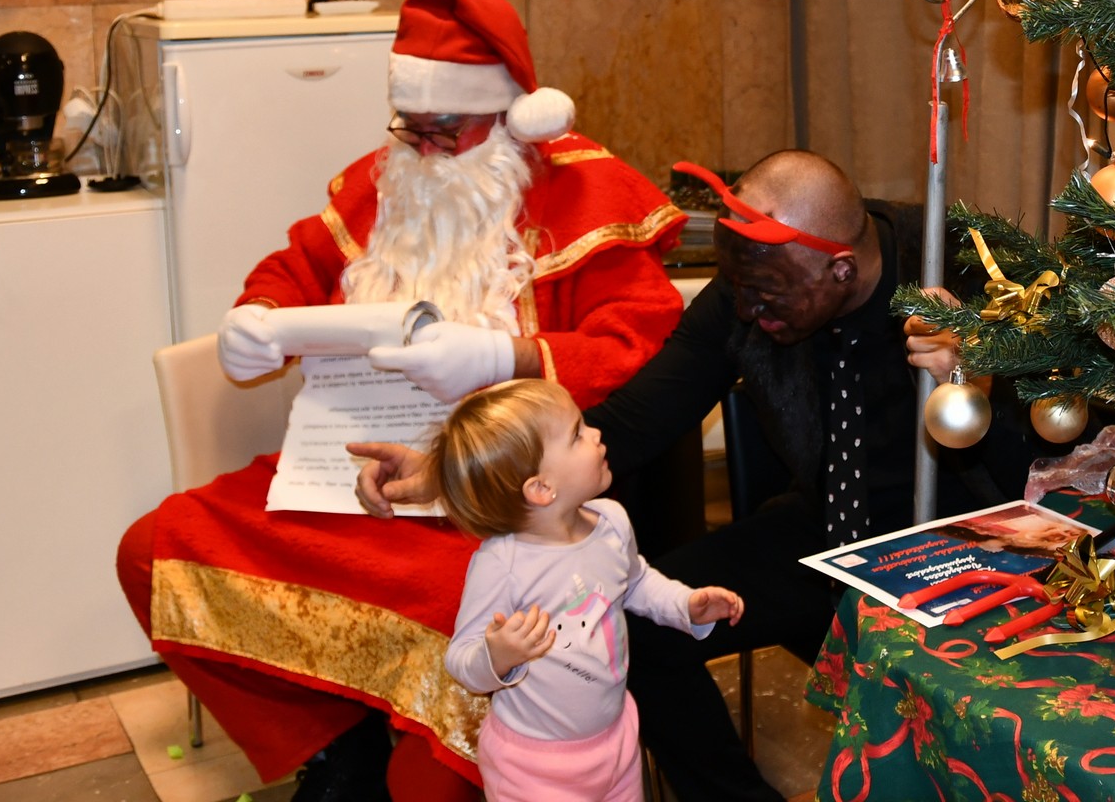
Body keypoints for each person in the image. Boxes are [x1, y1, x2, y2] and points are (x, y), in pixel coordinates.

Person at [116, 0, 686, 802]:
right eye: (407, 126)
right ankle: (334, 747)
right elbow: (292, 268)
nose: (422, 148)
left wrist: (505, 357)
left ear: (508, 115)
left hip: (495, 506)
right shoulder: (384, 182)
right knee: (154, 550)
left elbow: (641, 345)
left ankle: (435, 760)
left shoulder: (581, 194)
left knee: (456, 663)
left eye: (444, 128)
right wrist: (256, 315)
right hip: (357, 479)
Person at [356, 149, 1068, 802]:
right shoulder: (747, 291)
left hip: (963, 541)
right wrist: (454, 476)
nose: (748, 312)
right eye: (740, 290)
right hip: (823, 532)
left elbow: (1060, 456)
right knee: (636, 623)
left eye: (768, 295)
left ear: (840, 269)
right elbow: (638, 419)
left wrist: (983, 377)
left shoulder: (969, 269)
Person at [433, 379, 744, 802]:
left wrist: (684, 604)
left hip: (615, 741)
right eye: (577, 434)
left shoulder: (611, 521)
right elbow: (460, 658)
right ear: (541, 488)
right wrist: (498, 656)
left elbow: (635, 580)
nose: (596, 434)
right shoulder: (502, 564)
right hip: (535, 769)